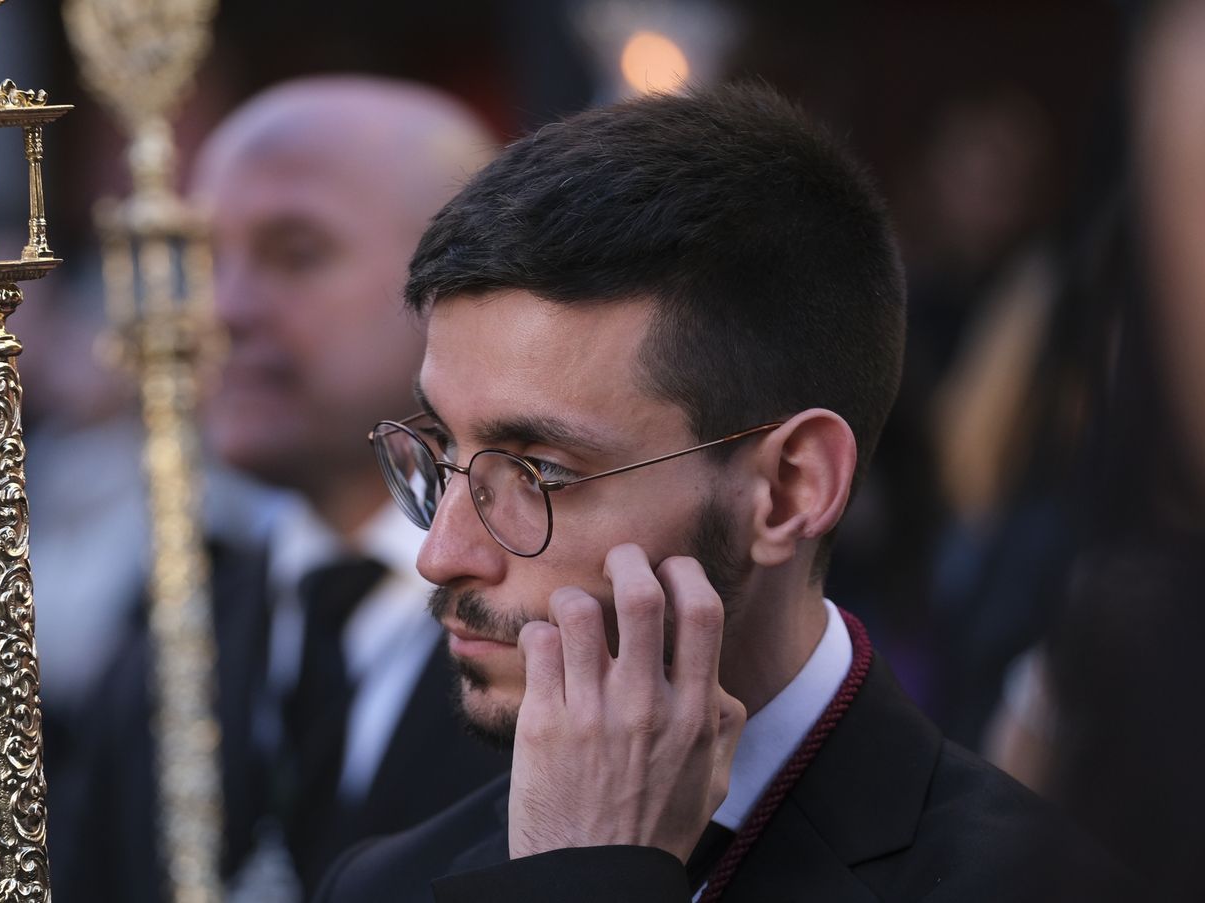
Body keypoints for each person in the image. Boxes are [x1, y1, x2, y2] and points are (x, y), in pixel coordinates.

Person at [314, 84, 1122, 902]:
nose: (439, 552)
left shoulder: (1038, 885)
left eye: (540, 471)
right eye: (447, 445)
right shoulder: (385, 883)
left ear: (789, 488)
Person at [52, 76, 507, 901]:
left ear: (465, 279)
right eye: (201, 259)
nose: (222, 310)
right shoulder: (163, 652)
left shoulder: (572, 640)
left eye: (295, 252)